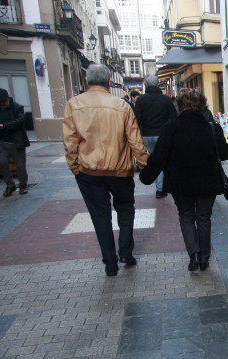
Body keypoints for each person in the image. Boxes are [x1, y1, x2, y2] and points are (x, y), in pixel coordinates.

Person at [63, 64, 149, 277]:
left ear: (86, 81)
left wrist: (75, 167)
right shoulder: (122, 106)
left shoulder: (74, 105)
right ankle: (126, 253)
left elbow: (70, 141)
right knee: (126, 209)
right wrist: (145, 165)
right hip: (119, 170)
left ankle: (110, 263)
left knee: (100, 216)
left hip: (89, 172)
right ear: (109, 82)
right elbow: (135, 140)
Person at [139, 88, 228, 272]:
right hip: (207, 182)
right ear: (202, 106)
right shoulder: (211, 128)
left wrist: (146, 176)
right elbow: (225, 153)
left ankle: (194, 254)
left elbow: (159, 157)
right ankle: (205, 258)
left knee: (186, 216)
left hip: (179, 184)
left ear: (180, 106)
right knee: (204, 217)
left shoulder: (170, 128)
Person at [134, 75, 178, 198]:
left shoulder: (141, 100)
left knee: (154, 160)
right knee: (164, 160)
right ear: (158, 84)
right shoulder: (165, 99)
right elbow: (174, 118)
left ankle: (160, 188)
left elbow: (136, 119)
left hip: (147, 135)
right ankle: (162, 187)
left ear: (146, 85)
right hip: (163, 135)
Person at [0, 88, 30, 196]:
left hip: (16, 141)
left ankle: (23, 185)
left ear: (7, 98)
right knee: (2, 163)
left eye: (3, 102)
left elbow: (20, 121)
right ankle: (10, 185)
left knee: (20, 165)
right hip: (2, 142)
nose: (1, 104)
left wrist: (4, 126)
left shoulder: (17, 107)